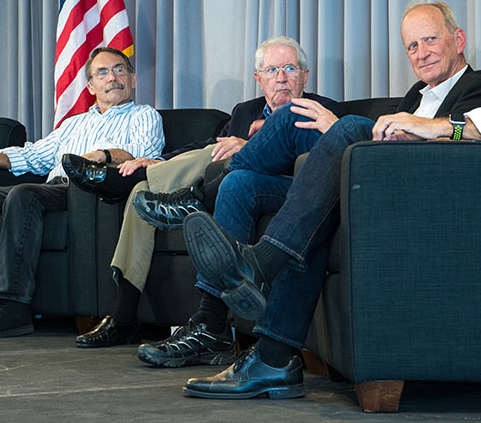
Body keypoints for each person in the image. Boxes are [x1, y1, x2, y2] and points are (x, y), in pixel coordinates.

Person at [181, 0, 481, 399]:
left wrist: (439, 127)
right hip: (480, 193)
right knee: (316, 188)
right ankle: (273, 355)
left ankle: (252, 257)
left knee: (345, 130)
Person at [137, 2, 481, 369]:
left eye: (430, 40)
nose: (421, 53)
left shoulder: (479, 88)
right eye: (412, 45)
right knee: (241, 183)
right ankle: (212, 325)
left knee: (310, 118)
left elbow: (457, 153)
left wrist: (344, 129)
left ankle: (199, 197)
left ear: (458, 39)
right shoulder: (417, 95)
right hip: (358, 185)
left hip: (399, 193)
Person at [63, 37, 343, 354]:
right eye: (272, 70)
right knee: (145, 190)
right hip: (226, 179)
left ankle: (171, 193)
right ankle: (124, 313)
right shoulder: (245, 112)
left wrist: (249, 146)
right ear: (258, 78)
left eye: (290, 68)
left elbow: (322, 170)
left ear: (305, 75)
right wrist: (159, 161)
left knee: (228, 169)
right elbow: (208, 146)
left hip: (278, 187)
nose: (281, 77)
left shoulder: (324, 111)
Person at [0, 47, 164, 338]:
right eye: (102, 72)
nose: (113, 77)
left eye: (120, 70)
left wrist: (103, 155)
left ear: (133, 78)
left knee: (24, 194)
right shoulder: (74, 124)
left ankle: (12, 305)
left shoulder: (144, 116)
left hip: (86, 194)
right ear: (91, 86)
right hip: (50, 189)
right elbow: (33, 155)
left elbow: (145, 155)